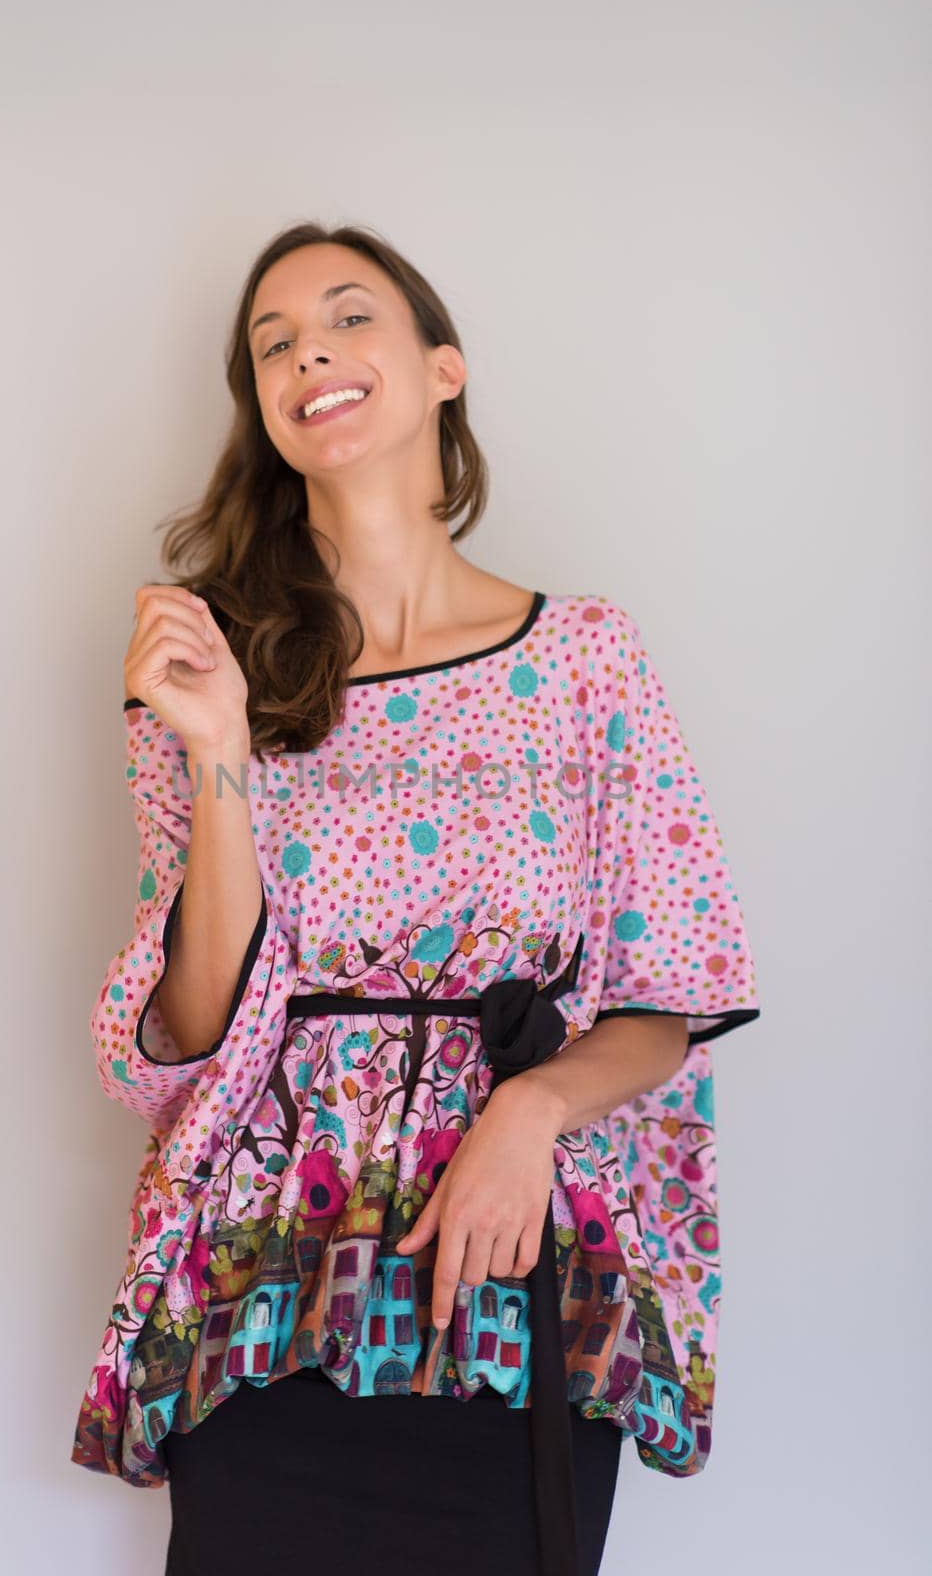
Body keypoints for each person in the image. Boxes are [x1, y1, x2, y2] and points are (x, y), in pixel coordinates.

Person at [70, 223, 761, 1576]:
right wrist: (219, 751)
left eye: (346, 318)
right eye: (273, 344)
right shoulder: (213, 665)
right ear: (267, 411)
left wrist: (532, 1107)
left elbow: (670, 990)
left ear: (443, 368)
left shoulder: (586, 658)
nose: (308, 351)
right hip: (269, 1274)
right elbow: (200, 1016)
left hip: (507, 1264)